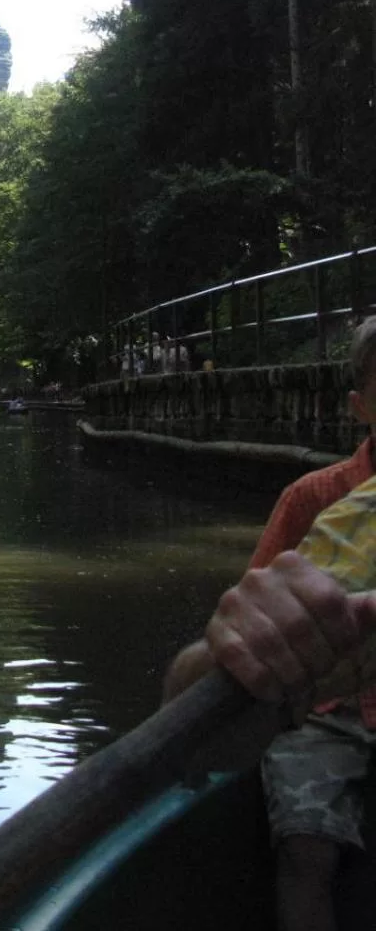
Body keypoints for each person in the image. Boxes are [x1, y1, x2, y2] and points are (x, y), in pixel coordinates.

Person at [164, 316, 376, 930]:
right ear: (361, 406)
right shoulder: (316, 499)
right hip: (324, 716)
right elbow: (245, 631)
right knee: (307, 847)